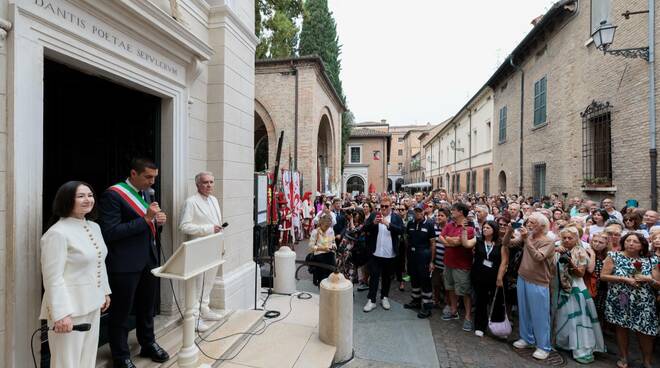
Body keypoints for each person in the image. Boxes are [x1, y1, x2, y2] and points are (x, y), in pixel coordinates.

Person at [99, 158, 169, 368]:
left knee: (147, 308)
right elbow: (110, 233)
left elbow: (148, 229)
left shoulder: (147, 194)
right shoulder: (113, 195)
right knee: (121, 313)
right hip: (124, 264)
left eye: (154, 178)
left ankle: (148, 343)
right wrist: (146, 219)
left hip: (148, 259)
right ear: (133, 174)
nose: (152, 182)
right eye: (148, 177)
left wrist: (158, 223)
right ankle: (120, 356)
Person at [40, 181, 112, 367]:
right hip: (70, 310)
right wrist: (61, 314)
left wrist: (104, 290)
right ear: (66, 200)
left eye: (90, 195)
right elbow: (52, 277)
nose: (88, 199)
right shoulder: (57, 233)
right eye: (80, 196)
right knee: (67, 363)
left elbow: (99, 261)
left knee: (87, 360)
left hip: (93, 304)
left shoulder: (94, 227)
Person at [601, 233, 660, 368]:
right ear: (623, 242)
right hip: (622, 297)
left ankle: (647, 361)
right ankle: (623, 357)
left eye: (635, 241)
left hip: (644, 301)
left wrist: (649, 279)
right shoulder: (613, 256)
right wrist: (625, 279)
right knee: (622, 327)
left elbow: (658, 284)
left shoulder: (651, 260)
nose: (631, 243)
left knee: (645, 330)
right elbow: (603, 276)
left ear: (642, 245)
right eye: (628, 240)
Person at [504, 213, 555, 360]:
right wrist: (508, 232)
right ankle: (527, 338)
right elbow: (507, 243)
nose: (529, 224)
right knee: (524, 311)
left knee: (540, 315)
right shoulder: (528, 237)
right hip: (523, 277)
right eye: (528, 222)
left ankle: (543, 346)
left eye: (533, 222)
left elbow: (538, 257)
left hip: (539, 281)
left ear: (543, 226)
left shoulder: (548, 242)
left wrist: (527, 240)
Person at [179, 171, 224, 332]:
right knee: (198, 284)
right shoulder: (191, 202)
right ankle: (194, 317)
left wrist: (221, 244)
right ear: (197, 184)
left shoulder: (214, 200)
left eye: (211, 182)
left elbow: (217, 224)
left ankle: (204, 309)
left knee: (209, 281)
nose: (209, 185)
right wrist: (208, 229)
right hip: (198, 249)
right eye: (205, 182)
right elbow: (184, 226)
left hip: (213, 247)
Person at [553, 226, 605, 363]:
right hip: (559, 287)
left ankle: (581, 349)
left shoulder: (580, 251)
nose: (567, 240)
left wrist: (570, 262)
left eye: (570, 238)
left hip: (575, 288)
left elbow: (581, 273)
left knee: (578, 320)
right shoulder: (557, 248)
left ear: (577, 238)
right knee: (563, 316)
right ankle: (564, 343)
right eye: (564, 238)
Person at [466, 220, 508, 338]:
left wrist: (500, 277)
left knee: (497, 303)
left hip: (495, 277)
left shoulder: (501, 244)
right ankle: (480, 326)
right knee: (481, 302)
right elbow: (466, 244)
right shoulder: (478, 241)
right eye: (484, 227)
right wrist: (464, 231)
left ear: (494, 230)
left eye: (488, 228)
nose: (484, 229)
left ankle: (498, 329)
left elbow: (504, 261)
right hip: (479, 276)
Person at [363, 197, 404, 312]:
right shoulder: (374, 215)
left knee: (387, 277)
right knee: (374, 277)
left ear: (391, 206)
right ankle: (371, 300)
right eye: (382, 206)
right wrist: (373, 223)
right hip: (375, 253)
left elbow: (401, 230)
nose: (384, 208)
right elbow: (365, 228)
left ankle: (384, 297)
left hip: (389, 254)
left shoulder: (396, 217)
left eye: (386, 206)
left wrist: (388, 224)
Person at [440, 202, 475, 332]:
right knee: (450, 288)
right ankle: (454, 310)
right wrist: (451, 241)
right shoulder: (449, 225)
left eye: (453, 210)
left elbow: (460, 241)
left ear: (460, 212)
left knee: (464, 291)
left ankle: (468, 317)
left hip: (462, 265)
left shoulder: (469, 228)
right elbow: (441, 237)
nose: (452, 212)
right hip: (448, 262)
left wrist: (449, 240)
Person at [403, 204, 437, 318]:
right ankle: (416, 301)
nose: (418, 213)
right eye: (416, 211)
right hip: (412, 255)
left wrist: (432, 261)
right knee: (414, 279)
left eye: (420, 211)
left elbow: (433, 244)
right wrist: (408, 256)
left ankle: (427, 307)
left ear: (424, 212)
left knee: (425, 281)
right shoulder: (410, 223)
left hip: (424, 256)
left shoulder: (429, 224)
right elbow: (407, 239)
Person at [308, 215, 336, 286]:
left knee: (331, 275)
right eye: (326, 226)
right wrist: (322, 248)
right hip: (320, 256)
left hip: (330, 255)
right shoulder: (315, 232)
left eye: (328, 226)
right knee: (322, 277)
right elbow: (311, 246)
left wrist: (333, 246)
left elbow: (333, 241)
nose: (327, 228)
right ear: (321, 223)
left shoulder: (330, 230)